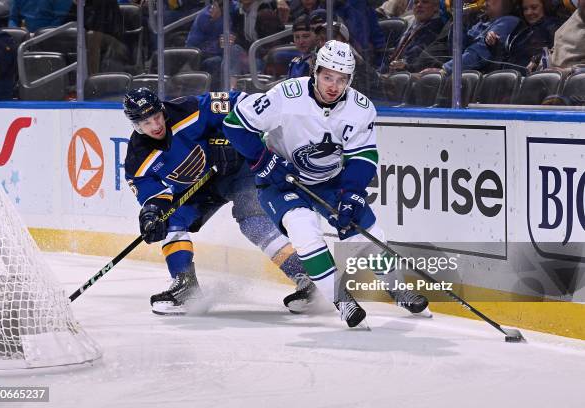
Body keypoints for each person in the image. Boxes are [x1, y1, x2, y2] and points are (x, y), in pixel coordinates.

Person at [223, 40, 431, 328]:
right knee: (304, 231)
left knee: (366, 234)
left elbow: (363, 156)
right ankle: (341, 300)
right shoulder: (285, 95)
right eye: (328, 77)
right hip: (283, 183)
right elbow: (235, 125)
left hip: (330, 181)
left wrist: (353, 194)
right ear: (315, 72)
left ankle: (397, 288)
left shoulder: (361, 108)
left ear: (350, 80)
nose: (334, 86)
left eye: (342, 79)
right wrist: (264, 161)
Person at [123, 88, 318, 315]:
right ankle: (186, 288)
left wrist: (234, 136)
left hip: (237, 170)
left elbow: (243, 102)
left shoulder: (189, 110)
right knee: (167, 219)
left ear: (162, 110)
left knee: (253, 220)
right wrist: (152, 214)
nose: (155, 125)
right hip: (198, 190)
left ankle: (307, 277)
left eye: (156, 117)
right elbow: (152, 196)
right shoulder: (137, 158)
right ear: (136, 125)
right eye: (146, 123)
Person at [442, 0, 520, 74]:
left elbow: (478, 54)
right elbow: (457, 53)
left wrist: (446, 69)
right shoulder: (481, 22)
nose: (485, 1)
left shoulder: (509, 21)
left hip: (486, 81)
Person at [501, 0, 560, 74]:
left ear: (545, 7)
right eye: (525, 9)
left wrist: (537, 59)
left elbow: (556, 50)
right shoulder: (520, 27)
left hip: (536, 79)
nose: (528, 13)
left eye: (534, 7)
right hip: (509, 77)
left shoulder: (553, 26)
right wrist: (494, 44)